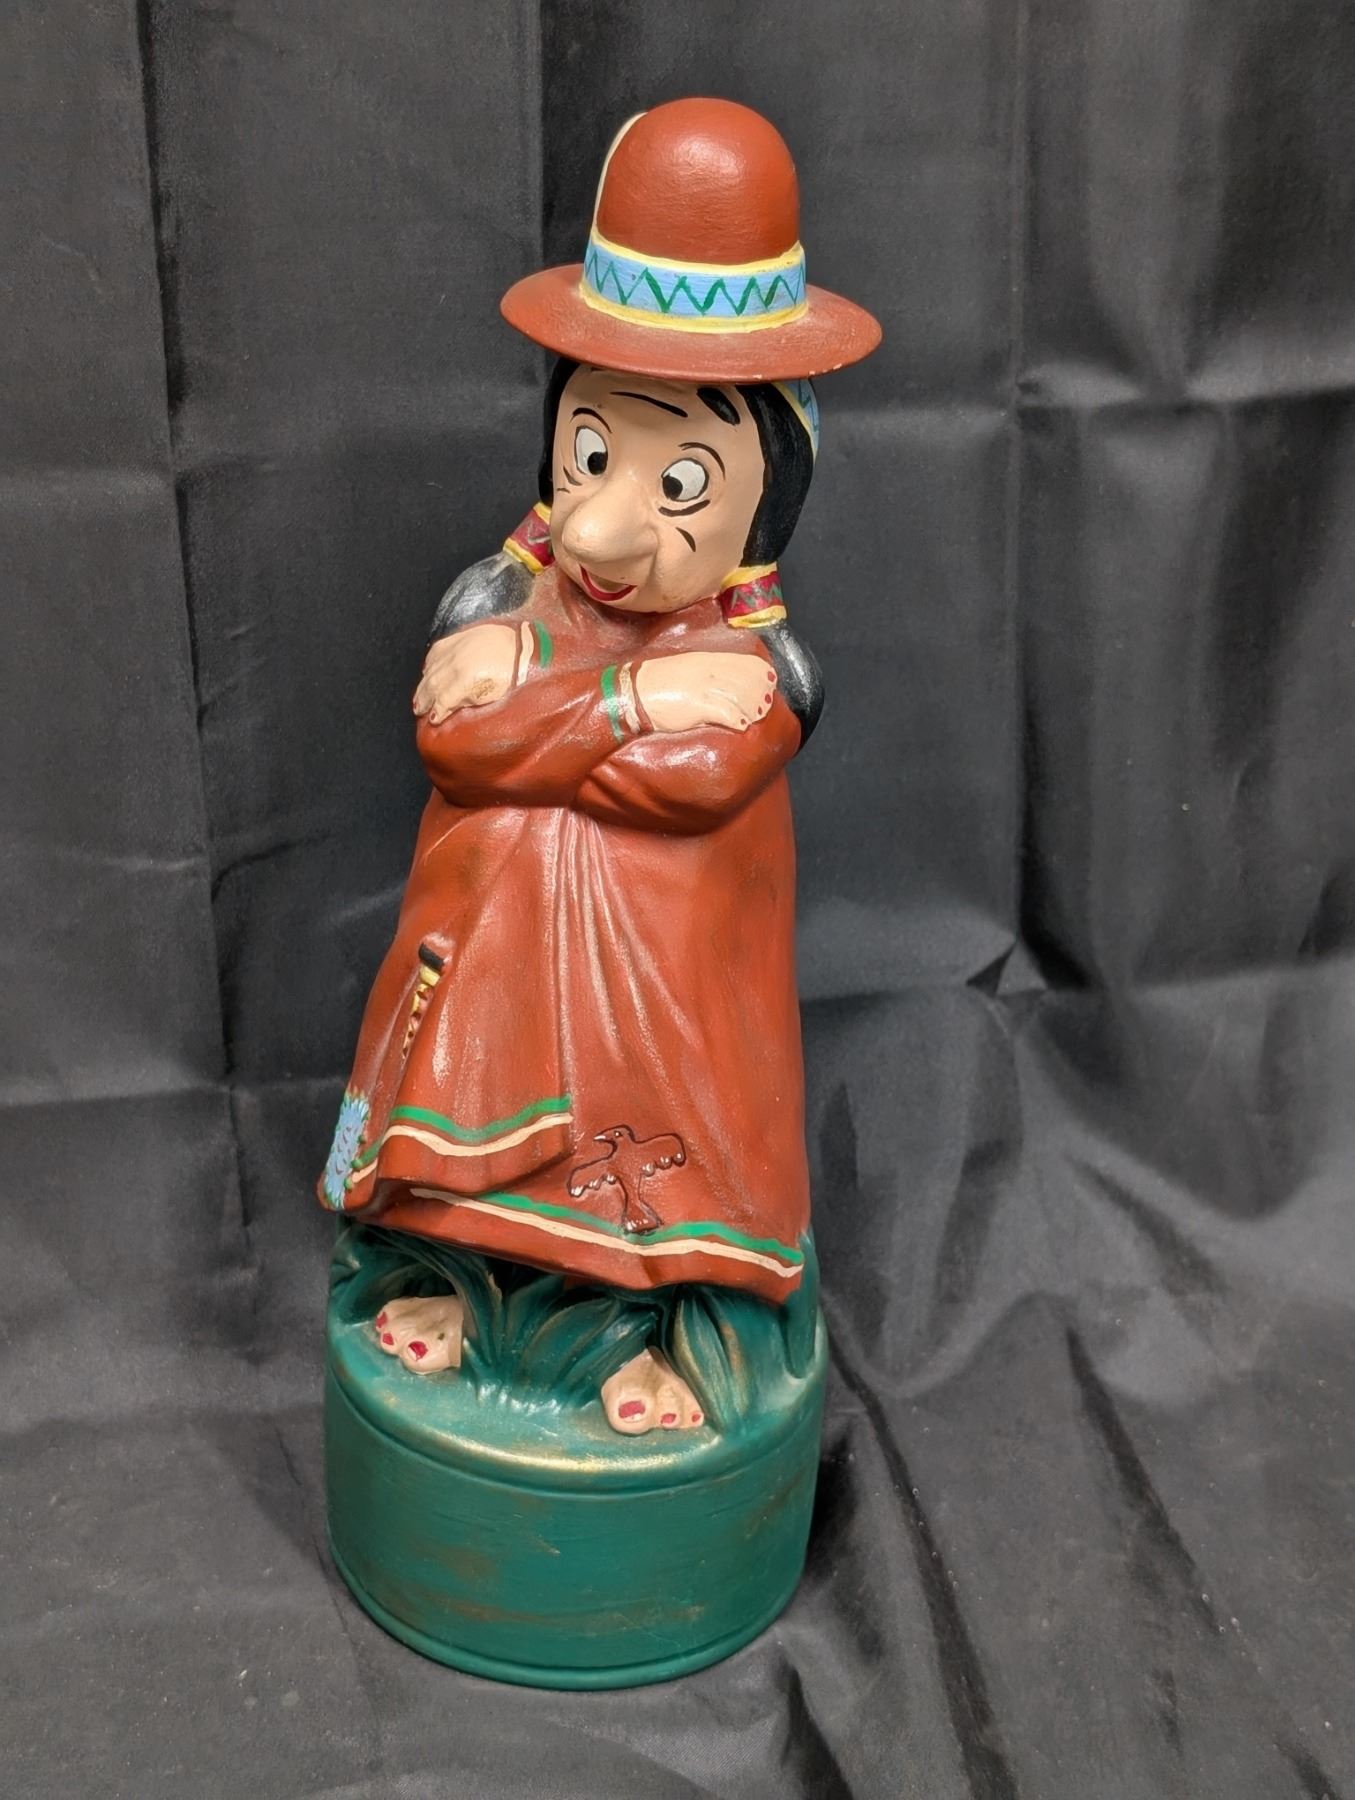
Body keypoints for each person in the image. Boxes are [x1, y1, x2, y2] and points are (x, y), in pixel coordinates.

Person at [319, 99, 880, 1435]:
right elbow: (454, 743)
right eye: (589, 453)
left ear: (763, 502)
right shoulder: (506, 606)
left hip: (661, 1014)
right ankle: (472, 1290)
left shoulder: (753, 671)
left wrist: (544, 723)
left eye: (679, 482)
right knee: (464, 1146)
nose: (602, 527)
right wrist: (627, 692)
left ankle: (666, 1338)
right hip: (495, 1001)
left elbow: (673, 784)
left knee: (650, 1180)